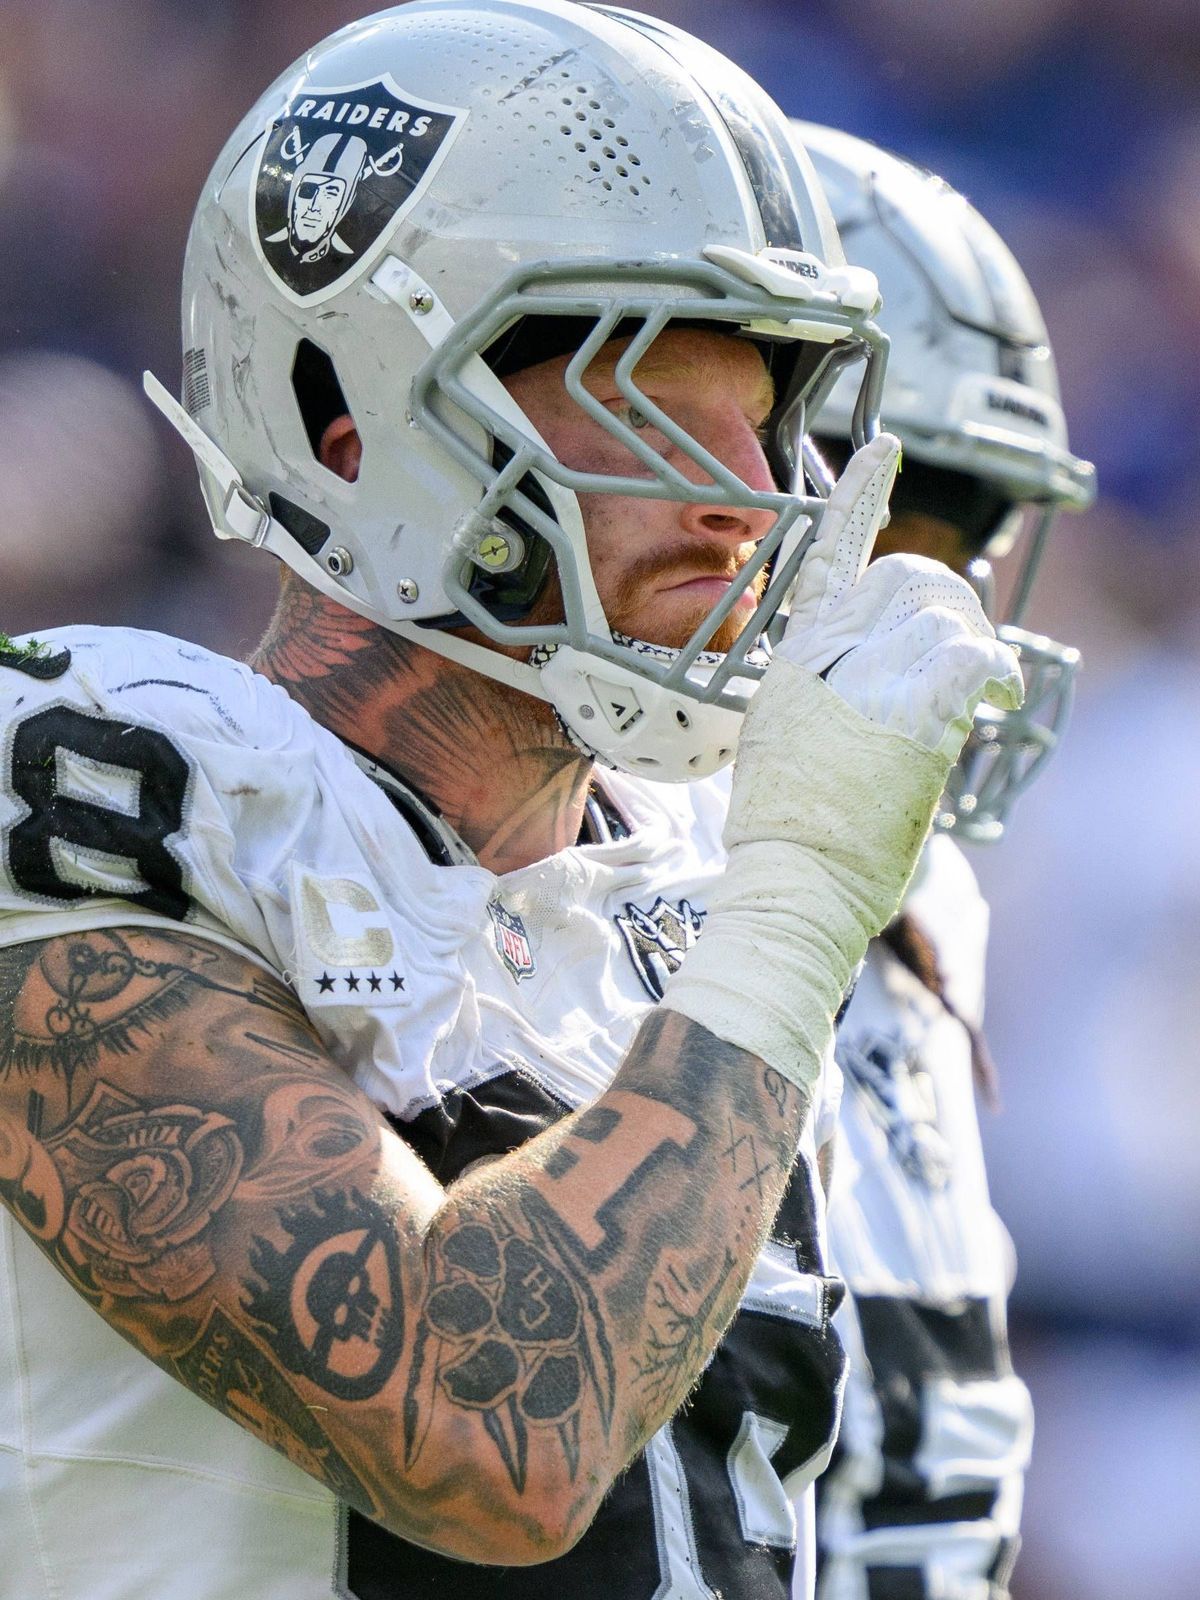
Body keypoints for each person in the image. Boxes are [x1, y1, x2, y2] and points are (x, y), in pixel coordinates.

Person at [0, 7, 1020, 1599]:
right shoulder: (111, 780)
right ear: (362, 430)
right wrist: (802, 900)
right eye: (648, 403)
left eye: (766, 414)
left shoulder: (703, 876)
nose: (741, 496)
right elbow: (483, 1438)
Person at [788, 123, 1095, 1600]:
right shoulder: (538, 882)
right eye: (895, 519)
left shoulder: (925, 908)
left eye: (968, 536)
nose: (943, 599)